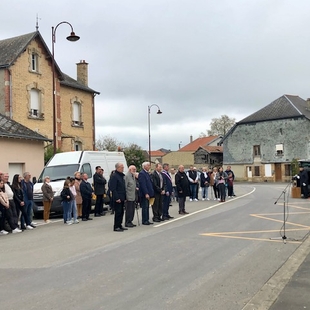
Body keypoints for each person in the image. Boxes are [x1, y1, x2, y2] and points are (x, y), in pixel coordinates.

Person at [109, 162, 127, 232]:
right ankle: (116, 226)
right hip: (118, 197)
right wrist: (117, 198)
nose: (123, 169)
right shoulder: (114, 176)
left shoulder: (121, 176)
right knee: (118, 212)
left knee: (122, 212)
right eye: (121, 167)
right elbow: (113, 188)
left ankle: (120, 224)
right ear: (117, 168)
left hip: (122, 196)